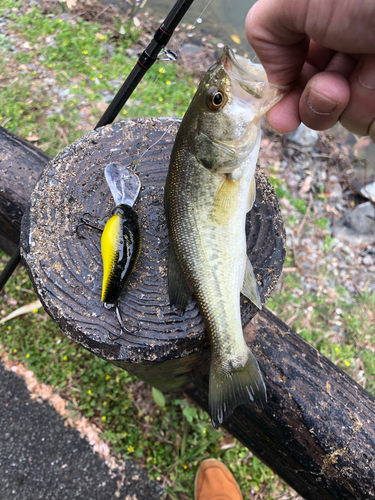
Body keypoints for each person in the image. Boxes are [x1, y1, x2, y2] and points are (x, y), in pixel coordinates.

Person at [194, 1, 375, 498]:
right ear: (208, 146)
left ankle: (231, 364)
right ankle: (231, 358)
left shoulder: (224, 158)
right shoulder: (221, 164)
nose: (223, 93)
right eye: (217, 102)